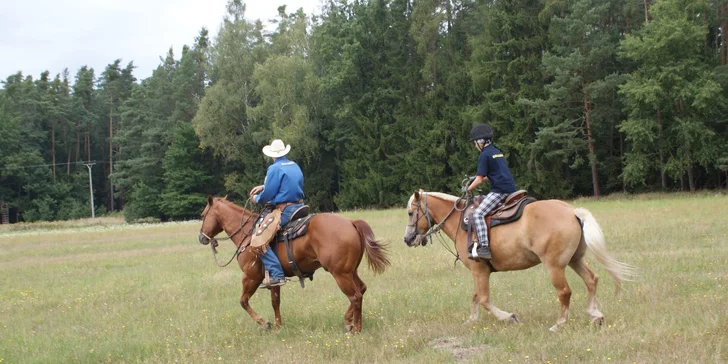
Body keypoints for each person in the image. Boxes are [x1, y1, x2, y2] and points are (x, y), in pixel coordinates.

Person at [249, 139, 305, 287]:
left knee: (258, 240)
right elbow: (289, 183)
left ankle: (277, 274)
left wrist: (256, 198)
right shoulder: (294, 165)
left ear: (272, 154)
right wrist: (263, 186)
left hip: (285, 210)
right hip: (300, 205)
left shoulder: (274, 168)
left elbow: (267, 195)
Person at [464, 124, 517, 260]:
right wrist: (474, 179)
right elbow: (493, 174)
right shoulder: (496, 152)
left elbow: (480, 179)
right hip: (511, 189)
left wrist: (467, 189)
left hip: (499, 191)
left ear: (480, 142)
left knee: (477, 214)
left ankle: (484, 247)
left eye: (475, 143)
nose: (475, 145)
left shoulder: (484, 155)